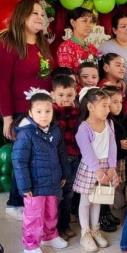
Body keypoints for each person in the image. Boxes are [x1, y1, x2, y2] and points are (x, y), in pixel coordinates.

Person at [0, 0, 57, 218]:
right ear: (21, 17)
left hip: (45, 112)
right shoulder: (6, 45)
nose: (40, 17)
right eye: (34, 14)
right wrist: (7, 117)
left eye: (42, 14)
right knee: (24, 158)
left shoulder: (42, 45)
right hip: (22, 112)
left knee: (41, 159)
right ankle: (15, 203)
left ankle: (35, 201)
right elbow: (2, 84)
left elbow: (47, 78)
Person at [12, 90, 70, 253]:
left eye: (48, 111)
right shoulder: (26, 133)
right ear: (30, 113)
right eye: (39, 111)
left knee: (51, 211)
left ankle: (50, 236)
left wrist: (64, 174)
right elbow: (19, 161)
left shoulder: (55, 130)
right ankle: (31, 246)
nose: (44, 115)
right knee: (34, 216)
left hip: (52, 181)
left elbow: (62, 154)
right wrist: (24, 186)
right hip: (34, 186)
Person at [74, 88, 118, 252]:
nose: (108, 109)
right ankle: (85, 233)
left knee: (98, 200)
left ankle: (95, 229)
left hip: (106, 167)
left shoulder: (109, 123)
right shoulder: (84, 128)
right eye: (104, 106)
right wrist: (98, 171)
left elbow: (112, 146)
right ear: (91, 107)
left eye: (108, 106)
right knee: (86, 201)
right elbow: (87, 151)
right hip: (92, 168)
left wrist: (112, 167)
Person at [50, 74, 80, 240]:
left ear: (75, 95)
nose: (65, 99)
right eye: (61, 95)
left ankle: (65, 224)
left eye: (69, 95)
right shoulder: (51, 113)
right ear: (53, 94)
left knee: (69, 192)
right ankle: (53, 226)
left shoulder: (77, 112)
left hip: (74, 157)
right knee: (57, 195)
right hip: (58, 160)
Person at [103, 85, 127, 215]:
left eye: (120, 102)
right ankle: (105, 213)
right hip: (110, 162)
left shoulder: (119, 119)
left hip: (119, 159)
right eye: (115, 102)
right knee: (107, 188)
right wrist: (118, 143)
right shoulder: (105, 121)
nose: (119, 105)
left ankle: (111, 211)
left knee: (117, 185)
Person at [56, 7, 99, 71]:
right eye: (84, 21)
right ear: (73, 23)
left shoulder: (92, 48)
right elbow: (66, 77)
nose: (89, 25)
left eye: (91, 22)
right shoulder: (65, 48)